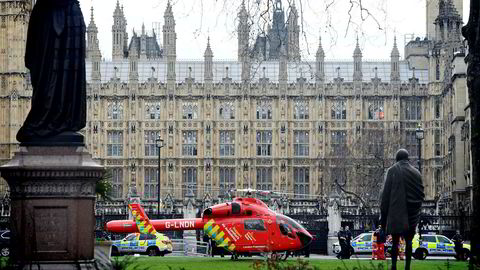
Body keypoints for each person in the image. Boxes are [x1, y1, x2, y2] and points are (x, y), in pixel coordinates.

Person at [17, 0, 86, 144]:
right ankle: (48, 117)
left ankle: (59, 119)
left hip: (61, 20)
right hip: (53, 18)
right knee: (46, 72)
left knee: (61, 74)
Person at [380, 149, 425, 270]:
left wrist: (383, 217)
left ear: (397, 158)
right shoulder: (417, 173)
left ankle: (394, 267)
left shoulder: (392, 170)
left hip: (397, 212)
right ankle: (407, 267)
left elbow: (385, 196)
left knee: (395, 242)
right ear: (407, 158)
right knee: (409, 242)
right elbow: (421, 194)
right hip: (413, 213)